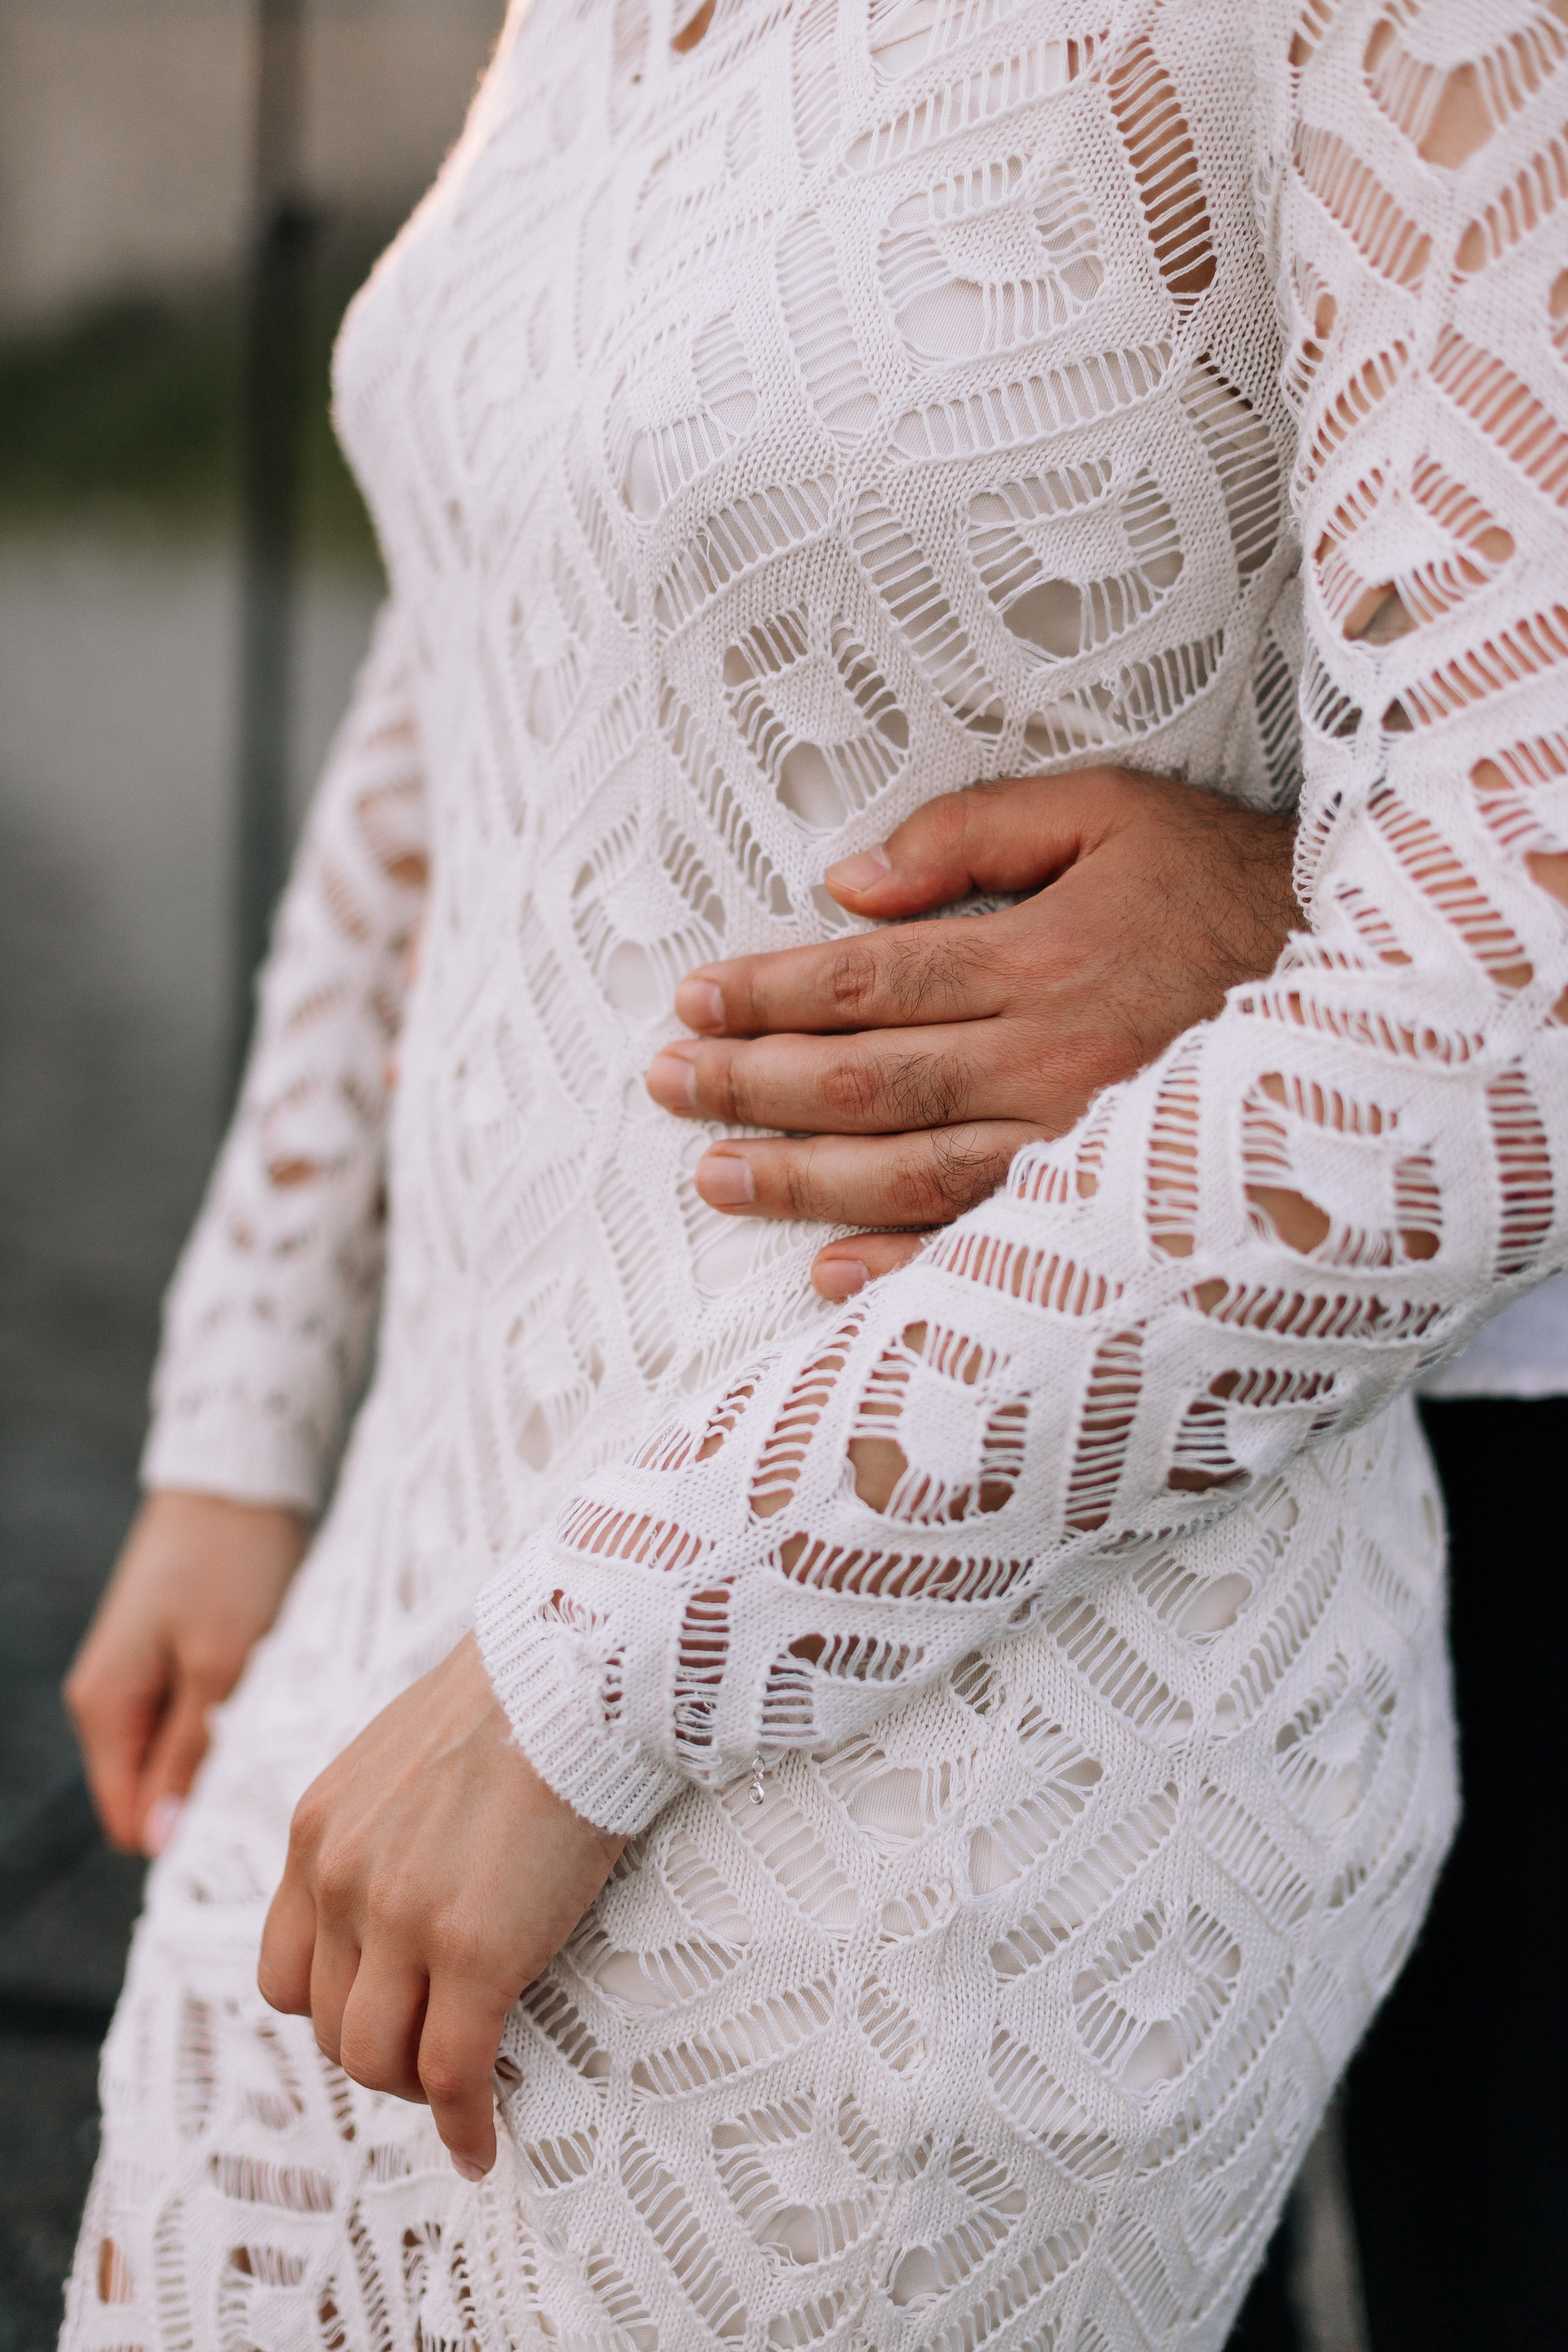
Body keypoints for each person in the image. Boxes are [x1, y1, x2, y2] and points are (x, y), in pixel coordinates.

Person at [60, 0, 1568, 2346]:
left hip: (904, 1729)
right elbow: (499, 617)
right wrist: (243, 1400)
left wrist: (601, 1661)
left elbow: (1500, 1009)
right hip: (409, 1620)